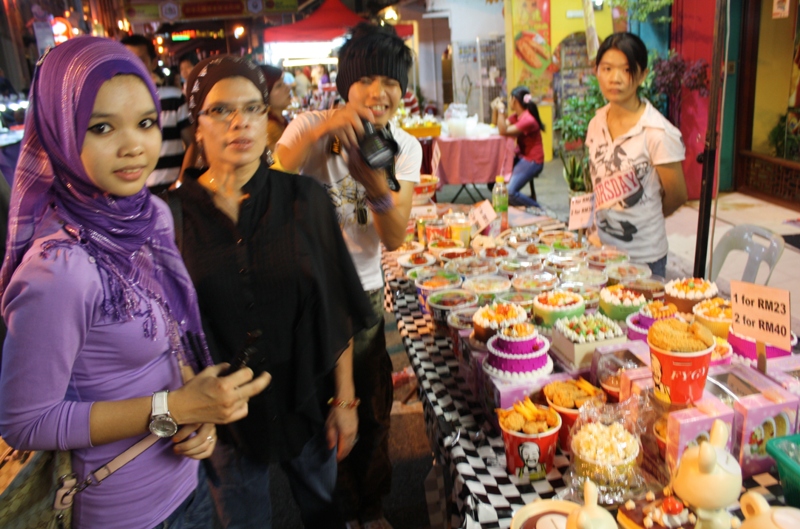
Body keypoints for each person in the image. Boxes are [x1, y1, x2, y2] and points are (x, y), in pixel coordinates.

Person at [0, 37, 270, 529]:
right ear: (58, 131)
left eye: (146, 123)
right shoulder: (58, 268)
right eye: (101, 127)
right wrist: (174, 405)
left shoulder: (150, 219)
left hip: (186, 484)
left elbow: (164, 344)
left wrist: (195, 413)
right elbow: (25, 422)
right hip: (120, 511)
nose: (133, 146)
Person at [173, 55, 376, 529]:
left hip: (305, 395)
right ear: (197, 125)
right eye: (221, 110)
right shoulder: (173, 218)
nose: (239, 122)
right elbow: (165, 326)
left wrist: (345, 401)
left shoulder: (304, 200)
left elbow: (337, 305)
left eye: (253, 108)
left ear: (268, 119)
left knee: (325, 513)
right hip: (224, 419)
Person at [275, 22, 421, 529]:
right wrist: (321, 129)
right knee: (317, 414)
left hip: (365, 294)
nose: (380, 93)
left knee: (373, 408)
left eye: (392, 84)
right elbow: (270, 178)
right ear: (345, 85)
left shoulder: (404, 146)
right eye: (367, 81)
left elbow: (395, 236)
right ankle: (330, 513)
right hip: (307, 298)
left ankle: (372, 507)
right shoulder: (306, 126)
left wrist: (375, 183)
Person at [586, 32, 688, 278]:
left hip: (644, 258)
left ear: (642, 74)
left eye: (626, 69)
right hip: (602, 250)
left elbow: (677, 195)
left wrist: (646, 215)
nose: (615, 78)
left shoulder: (657, 132)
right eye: (607, 68)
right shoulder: (596, 122)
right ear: (597, 71)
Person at [122, 34, 193, 194]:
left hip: (172, 191)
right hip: (134, 196)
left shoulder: (173, 98)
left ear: (153, 63)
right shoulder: (113, 107)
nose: (132, 65)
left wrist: (181, 181)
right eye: (126, 59)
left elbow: (192, 143)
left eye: (140, 60)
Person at [495, 86, 544, 206]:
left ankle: (538, 209)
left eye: (510, 98)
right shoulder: (517, 116)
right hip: (523, 157)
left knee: (510, 193)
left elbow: (503, 131)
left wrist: (501, 110)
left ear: (514, 100)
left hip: (533, 161)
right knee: (495, 181)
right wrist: (495, 110)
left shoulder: (528, 120)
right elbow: (499, 126)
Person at [262, 64, 292, 154]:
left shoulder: (280, 120)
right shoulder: (270, 128)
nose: (287, 87)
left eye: (284, 83)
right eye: (279, 85)